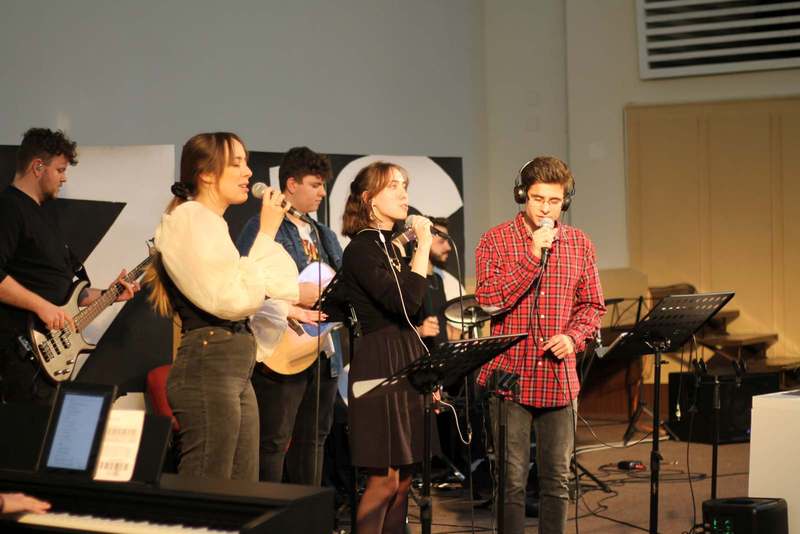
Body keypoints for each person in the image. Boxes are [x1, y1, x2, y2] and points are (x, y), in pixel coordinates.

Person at [143, 132, 298, 481]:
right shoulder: (189, 218)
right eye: (236, 163)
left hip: (234, 367)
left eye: (246, 162)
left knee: (242, 485)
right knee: (207, 484)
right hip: (208, 364)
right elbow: (229, 301)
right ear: (206, 174)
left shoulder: (212, 224)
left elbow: (250, 289)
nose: (248, 172)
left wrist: (283, 309)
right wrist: (267, 231)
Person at [475, 156, 605, 534]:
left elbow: (592, 305)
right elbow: (489, 301)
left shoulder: (579, 243)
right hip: (509, 377)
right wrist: (532, 255)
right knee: (511, 481)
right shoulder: (495, 240)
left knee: (557, 481)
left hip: (558, 377)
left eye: (554, 201)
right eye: (537, 199)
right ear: (522, 196)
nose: (545, 209)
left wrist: (573, 337)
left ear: (565, 200)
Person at [0, 128, 139, 406]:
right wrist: (42, 307)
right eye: (60, 170)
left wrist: (109, 295)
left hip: (47, 360)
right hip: (21, 353)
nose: (64, 178)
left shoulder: (44, 216)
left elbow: (69, 293)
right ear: (38, 167)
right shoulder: (9, 208)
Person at [236, 146, 342, 485]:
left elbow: (344, 284)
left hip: (323, 350)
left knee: (316, 439)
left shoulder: (324, 234)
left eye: (323, 185)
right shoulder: (262, 226)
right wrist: (295, 298)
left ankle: (307, 510)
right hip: (281, 349)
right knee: (274, 441)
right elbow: (245, 281)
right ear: (291, 184)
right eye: (315, 184)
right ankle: (270, 511)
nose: (322, 193)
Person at [340, 161, 433, 534]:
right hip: (379, 361)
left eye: (404, 185)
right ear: (369, 199)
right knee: (384, 478)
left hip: (406, 355)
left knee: (404, 478)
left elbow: (416, 311)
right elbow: (405, 303)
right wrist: (424, 247)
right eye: (392, 186)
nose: (403, 193)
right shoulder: (362, 249)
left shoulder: (392, 247)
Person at [415, 215, 463, 349]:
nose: (449, 247)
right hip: (420, 356)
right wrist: (419, 331)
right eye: (441, 242)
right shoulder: (411, 278)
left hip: (441, 356)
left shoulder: (438, 280)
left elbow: (439, 323)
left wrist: (453, 333)